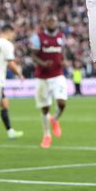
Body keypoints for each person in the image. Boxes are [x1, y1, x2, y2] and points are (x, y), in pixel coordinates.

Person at [30, 15, 68, 149]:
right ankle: (47, 135)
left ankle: (55, 119)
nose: (52, 23)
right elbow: (33, 54)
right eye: (49, 21)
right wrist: (42, 63)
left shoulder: (61, 37)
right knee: (45, 108)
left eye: (54, 21)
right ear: (45, 23)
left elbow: (62, 51)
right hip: (42, 77)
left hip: (58, 75)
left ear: (57, 23)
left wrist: (64, 60)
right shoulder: (38, 37)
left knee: (62, 103)